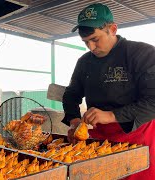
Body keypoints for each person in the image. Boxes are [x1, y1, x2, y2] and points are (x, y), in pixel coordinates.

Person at [62, 3, 155, 179]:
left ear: (112, 29)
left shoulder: (142, 54)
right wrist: (74, 121)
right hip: (98, 138)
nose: (90, 47)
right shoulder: (84, 62)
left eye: (95, 39)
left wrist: (111, 115)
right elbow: (71, 95)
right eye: (85, 42)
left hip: (136, 137)